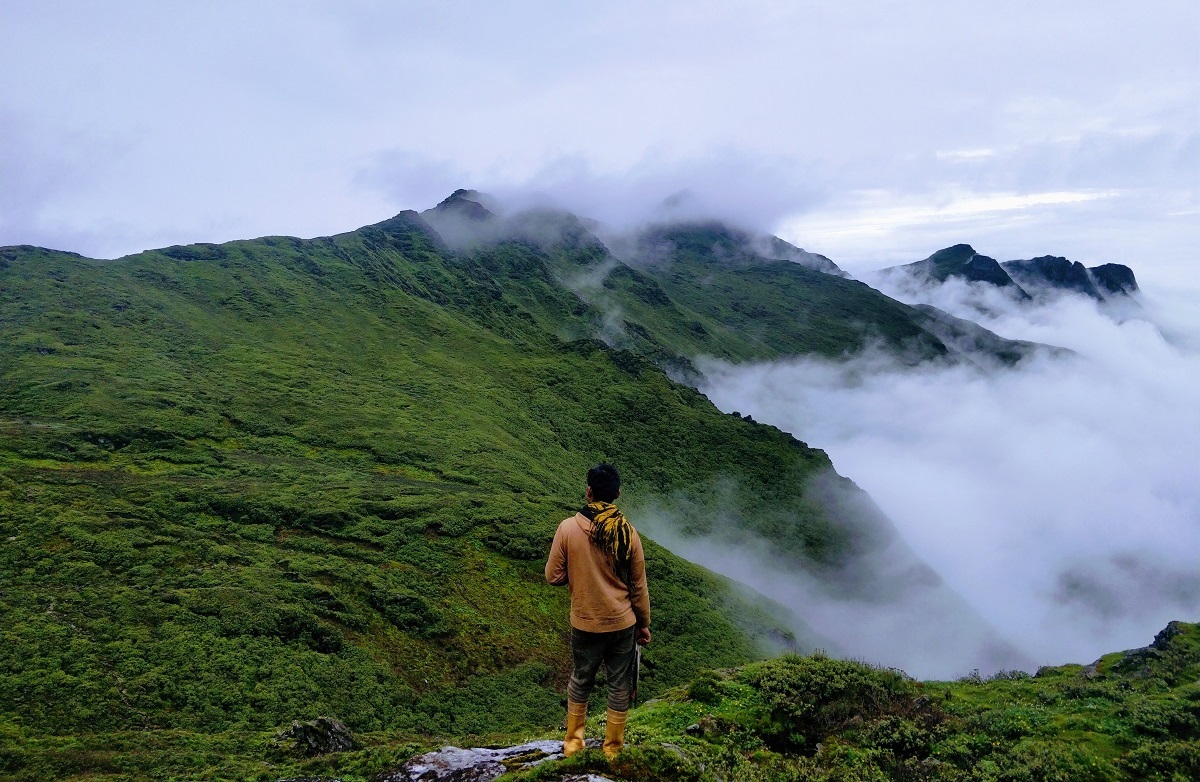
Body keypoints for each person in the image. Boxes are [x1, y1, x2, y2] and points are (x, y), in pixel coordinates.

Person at [544, 463, 651, 759]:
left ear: (588, 491)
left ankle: (573, 744)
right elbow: (638, 588)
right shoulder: (629, 533)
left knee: (581, 680)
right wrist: (643, 625)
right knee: (619, 684)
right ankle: (613, 750)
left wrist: (580, 573)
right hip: (622, 623)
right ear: (617, 493)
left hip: (585, 622)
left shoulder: (567, 528)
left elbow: (553, 576)